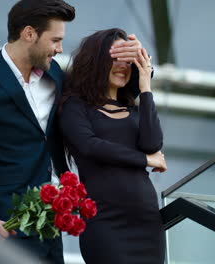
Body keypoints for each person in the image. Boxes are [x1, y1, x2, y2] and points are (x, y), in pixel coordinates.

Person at [0, 1, 146, 263]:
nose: (60, 49)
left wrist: (140, 64)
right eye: (55, 40)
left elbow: (102, 93)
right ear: (29, 34)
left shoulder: (56, 76)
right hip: (6, 227)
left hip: (51, 229)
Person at [59, 28, 167, 264]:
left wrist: (145, 85)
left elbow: (152, 143)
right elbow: (89, 146)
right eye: (115, 58)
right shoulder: (75, 106)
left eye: (128, 61)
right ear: (97, 61)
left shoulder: (136, 112)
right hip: (105, 220)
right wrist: (145, 160)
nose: (123, 66)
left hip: (146, 220)